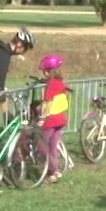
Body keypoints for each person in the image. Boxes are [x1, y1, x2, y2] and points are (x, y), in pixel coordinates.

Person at [36, 54, 69, 183]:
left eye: (44, 71)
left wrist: (42, 118)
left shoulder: (51, 84)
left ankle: (54, 170)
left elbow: (48, 102)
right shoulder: (60, 82)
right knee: (53, 147)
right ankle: (53, 173)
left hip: (51, 120)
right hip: (60, 119)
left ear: (49, 71)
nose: (43, 74)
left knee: (42, 146)